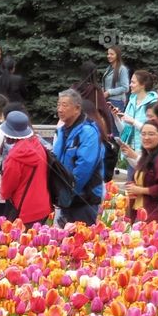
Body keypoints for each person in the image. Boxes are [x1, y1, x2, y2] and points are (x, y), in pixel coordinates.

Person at [53, 88, 106, 226]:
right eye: (58, 105)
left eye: (64, 105)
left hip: (83, 198)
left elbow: (84, 167)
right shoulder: (61, 131)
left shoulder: (88, 132)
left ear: (77, 108)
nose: (60, 109)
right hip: (65, 196)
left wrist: (67, 191)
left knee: (82, 241)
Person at [0, 111, 52, 228]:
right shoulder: (37, 145)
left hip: (24, 210)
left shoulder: (15, 156)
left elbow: (6, 190)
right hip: (43, 206)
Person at [125, 119, 158, 229]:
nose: (146, 137)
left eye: (151, 134)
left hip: (157, 220)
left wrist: (140, 190)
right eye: (143, 134)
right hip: (141, 215)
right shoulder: (145, 158)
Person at [118, 71, 158, 151]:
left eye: (133, 82)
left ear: (142, 85)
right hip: (127, 152)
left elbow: (154, 130)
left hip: (145, 151)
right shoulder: (131, 101)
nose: (130, 85)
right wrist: (115, 117)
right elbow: (123, 129)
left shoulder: (154, 103)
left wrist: (133, 122)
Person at [74, 61, 114, 135]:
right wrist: (109, 131)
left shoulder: (74, 88)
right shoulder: (96, 90)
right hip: (92, 126)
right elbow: (105, 111)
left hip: (75, 124)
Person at [102, 46, 130, 110]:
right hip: (107, 100)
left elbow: (126, 88)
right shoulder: (109, 68)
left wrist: (109, 92)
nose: (109, 56)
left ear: (117, 56)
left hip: (117, 102)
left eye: (112, 54)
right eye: (108, 54)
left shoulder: (122, 69)